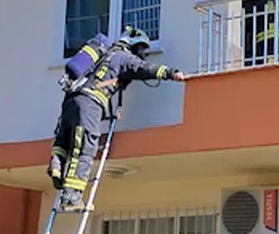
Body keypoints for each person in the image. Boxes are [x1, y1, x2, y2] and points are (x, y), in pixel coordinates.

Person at [49, 26, 186, 212]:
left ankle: (56, 166)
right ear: (133, 45)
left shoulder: (103, 56)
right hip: (89, 105)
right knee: (84, 149)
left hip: (70, 101)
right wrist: (171, 73)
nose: (142, 54)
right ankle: (71, 196)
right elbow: (144, 68)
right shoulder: (124, 57)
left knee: (65, 141)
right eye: (141, 49)